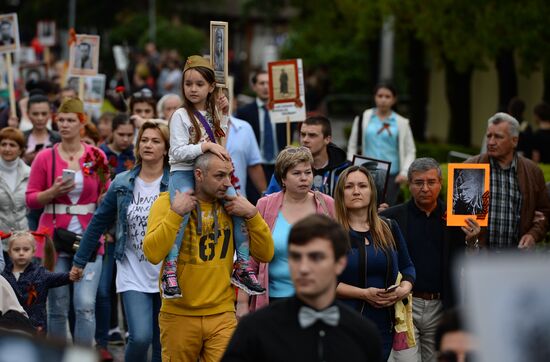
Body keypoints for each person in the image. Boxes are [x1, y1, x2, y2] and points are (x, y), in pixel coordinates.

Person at [143, 152, 274, 362]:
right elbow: (152, 253)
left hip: (222, 313)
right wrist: (175, 214)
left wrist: (252, 215)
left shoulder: (234, 206)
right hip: (179, 314)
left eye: (229, 175)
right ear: (198, 174)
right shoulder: (167, 203)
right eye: (219, 176)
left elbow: (266, 254)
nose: (227, 183)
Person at [165, 55, 264, 298]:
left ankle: (241, 265)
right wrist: (204, 147)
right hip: (184, 172)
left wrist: (224, 114)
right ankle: (171, 269)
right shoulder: (179, 115)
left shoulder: (212, 112)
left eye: (199, 84)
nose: (193, 89)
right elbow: (176, 151)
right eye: (188, 84)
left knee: (238, 206)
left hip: (210, 174)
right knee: (182, 214)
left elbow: (220, 139)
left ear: (211, 87)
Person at [71, 121, 169, 362]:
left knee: (163, 341)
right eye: (144, 140)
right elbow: (97, 222)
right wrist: (80, 261)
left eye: (156, 141)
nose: (148, 145)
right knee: (141, 336)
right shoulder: (122, 182)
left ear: (166, 148)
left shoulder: (176, 183)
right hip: (132, 269)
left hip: (168, 271)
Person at [222, 214, 382, 362]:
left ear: (340, 263)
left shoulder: (364, 334)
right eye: (296, 257)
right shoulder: (255, 330)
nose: (303, 268)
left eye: (316, 257)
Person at [25, 98, 108, 346]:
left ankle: (82, 355)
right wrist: (52, 191)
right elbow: (30, 200)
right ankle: (58, 355)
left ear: (81, 123)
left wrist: (106, 196)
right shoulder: (45, 157)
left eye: (70, 120)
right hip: (54, 237)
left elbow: (106, 193)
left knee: (84, 305)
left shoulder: (96, 155)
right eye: (60, 120)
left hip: (88, 237)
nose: (64, 125)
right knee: (57, 306)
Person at [381, 158, 480, 362]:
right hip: (404, 305)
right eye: (418, 182)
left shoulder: (459, 218)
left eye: (431, 182)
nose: (425, 188)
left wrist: (472, 241)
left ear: (440, 183)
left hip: (440, 306)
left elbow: (468, 263)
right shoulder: (391, 218)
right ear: (409, 185)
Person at [334, 165, 416, 361]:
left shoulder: (389, 227)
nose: (356, 191)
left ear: (372, 191)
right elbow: (323, 282)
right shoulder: (331, 231)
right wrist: (363, 294)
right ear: (340, 193)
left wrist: (404, 288)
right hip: (344, 324)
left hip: (384, 326)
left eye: (362, 186)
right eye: (349, 186)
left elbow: (407, 267)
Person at [242, 146, 335, 314]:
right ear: (283, 178)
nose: (304, 178)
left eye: (308, 172)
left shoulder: (327, 204)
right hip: (274, 301)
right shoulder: (265, 205)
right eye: (296, 173)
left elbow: (340, 251)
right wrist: (242, 303)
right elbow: (250, 258)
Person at [466, 112, 550, 249]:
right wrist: (471, 240)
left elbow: (544, 213)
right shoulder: (470, 168)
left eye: (498, 137)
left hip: (517, 260)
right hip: (480, 259)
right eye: (489, 136)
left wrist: (533, 235)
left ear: (514, 141)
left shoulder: (533, 172)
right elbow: (456, 218)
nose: (491, 142)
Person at [347, 83, 416, 205]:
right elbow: (352, 144)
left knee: (386, 209)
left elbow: (410, 150)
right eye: (380, 96)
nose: (383, 99)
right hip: (366, 170)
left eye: (387, 96)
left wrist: (405, 172)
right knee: (364, 206)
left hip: (392, 175)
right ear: (375, 97)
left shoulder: (401, 122)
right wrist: (351, 165)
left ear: (394, 99)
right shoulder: (363, 117)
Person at [1, 231, 76, 333]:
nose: (21, 253)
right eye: (16, 249)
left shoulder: (40, 274)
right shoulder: (4, 276)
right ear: (9, 252)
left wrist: (71, 275)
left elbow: (60, 278)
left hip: (37, 328)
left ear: (33, 251)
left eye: (26, 249)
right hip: (12, 328)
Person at [265, 116, 350, 197]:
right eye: (302, 134)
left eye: (312, 135)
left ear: (327, 139)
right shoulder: (286, 168)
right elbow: (270, 203)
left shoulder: (344, 170)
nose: (305, 140)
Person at [236, 70, 288, 202]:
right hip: (255, 167)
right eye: (261, 83)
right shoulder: (244, 112)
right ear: (254, 87)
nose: (265, 87)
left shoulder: (285, 110)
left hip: (280, 166)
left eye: (269, 83)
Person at [222, 90, 266, 199]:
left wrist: (266, 196)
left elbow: (254, 165)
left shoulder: (244, 128)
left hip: (238, 200)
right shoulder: (199, 129)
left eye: (222, 99)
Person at [0, 127, 30, 233]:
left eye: (12, 145)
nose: (7, 149)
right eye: (3, 144)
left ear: (20, 150)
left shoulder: (29, 173)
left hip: (22, 238)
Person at [22, 94, 59, 165]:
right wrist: (24, 159)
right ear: (28, 114)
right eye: (35, 114)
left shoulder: (59, 139)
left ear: (50, 114)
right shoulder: (20, 138)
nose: (40, 118)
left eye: (44, 114)